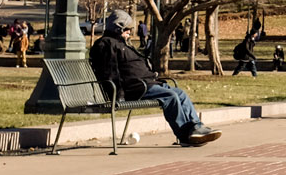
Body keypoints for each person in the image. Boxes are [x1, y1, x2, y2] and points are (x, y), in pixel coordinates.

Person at [89, 10, 221, 146]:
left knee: (180, 93)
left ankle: (196, 127)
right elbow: (109, 72)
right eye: (127, 29)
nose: (129, 32)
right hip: (135, 88)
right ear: (119, 27)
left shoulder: (122, 44)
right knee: (170, 96)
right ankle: (184, 136)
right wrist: (118, 95)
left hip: (147, 83)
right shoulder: (105, 45)